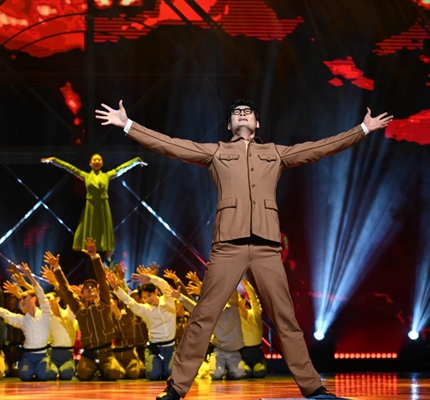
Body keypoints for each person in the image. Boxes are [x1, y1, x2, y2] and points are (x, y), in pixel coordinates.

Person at [96, 99, 393, 399]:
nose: (241, 114)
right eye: (236, 113)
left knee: (285, 319)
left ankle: (313, 387)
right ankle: (176, 387)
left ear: (257, 123)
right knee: (203, 316)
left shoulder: (274, 152)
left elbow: (319, 148)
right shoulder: (217, 152)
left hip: (266, 246)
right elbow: (171, 145)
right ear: (229, 125)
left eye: (247, 112)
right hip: (228, 245)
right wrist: (128, 125)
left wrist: (363, 129)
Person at [45, 237, 126, 381]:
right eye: (86, 287)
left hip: (107, 352)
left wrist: (94, 257)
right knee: (82, 375)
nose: (90, 288)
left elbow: (101, 278)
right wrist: (57, 268)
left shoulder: (104, 304)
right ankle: (95, 370)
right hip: (89, 354)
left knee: (114, 373)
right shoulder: (79, 310)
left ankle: (105, 369)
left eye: (93, 287)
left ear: (98, 292)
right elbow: (66, 290)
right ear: (81, 294)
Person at [41, 153, 146, 258]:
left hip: (103, 205)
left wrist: (136, 161)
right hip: (91, 205)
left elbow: (122, 168)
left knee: (104, 227)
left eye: (99, 160)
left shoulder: (107, 175)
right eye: (94, 160)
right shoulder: (85, 175)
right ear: (90, 163)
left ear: (102, 163)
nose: (97, 162)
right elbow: (69, 167)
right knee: (90, 227)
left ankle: (106, 250)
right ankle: (89, 248)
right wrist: (54, 160)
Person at [0, 263, 56, 381]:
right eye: (20, 299)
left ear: (34, 299)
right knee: (25, 376)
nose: (21, 300)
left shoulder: (45, 314)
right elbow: (2, 312)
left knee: (43, 376)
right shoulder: (22, 320)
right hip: (28, 355)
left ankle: (43, 367)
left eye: (24, 298)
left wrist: (29, 276)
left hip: (42, 354)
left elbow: (41, 294)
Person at [108, 269, 177, 381]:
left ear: (156, 292)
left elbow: (164, 285)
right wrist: (116, 288)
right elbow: (130, 302)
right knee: (154, 375)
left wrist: (151, 278)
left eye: (149, 295)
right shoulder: (144, 310)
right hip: (154, 348)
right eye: (144, 297)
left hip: (170, 348)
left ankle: (166, 369)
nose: (147, 299)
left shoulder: (168, 301)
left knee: (170, 374)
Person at [238, 277, 267, 378]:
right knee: (246, 373)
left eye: (238, 298)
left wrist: (243, 281)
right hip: (244, 353)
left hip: (257, 352)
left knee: (260, 373)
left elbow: (253, 296)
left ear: (243, 300)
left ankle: (259, 366)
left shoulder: (255, 313)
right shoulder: (234, 317)